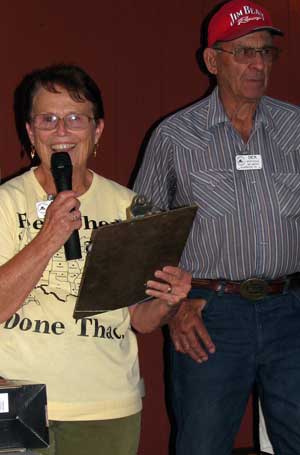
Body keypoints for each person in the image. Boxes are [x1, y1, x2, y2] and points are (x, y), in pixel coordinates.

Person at [133, 0, 300, 453]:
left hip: (291, 311)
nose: (258, 64)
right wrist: (172, 310)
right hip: (208, 316)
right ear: (212, 60)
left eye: (266, 53)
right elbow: (143, 240)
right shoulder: (174, 136)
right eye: (244, 52)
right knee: (202, 445)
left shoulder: (295, 128)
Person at [0, 64, 191, 455]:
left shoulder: (130, 207)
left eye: (75, 118)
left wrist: (168, 301)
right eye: (48, 119)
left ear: (97, 130)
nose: (62, 132)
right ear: (30, 132)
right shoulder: (6, 203)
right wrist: (48, 238)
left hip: (107, 404)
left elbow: (140, 319)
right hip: (18, 400)